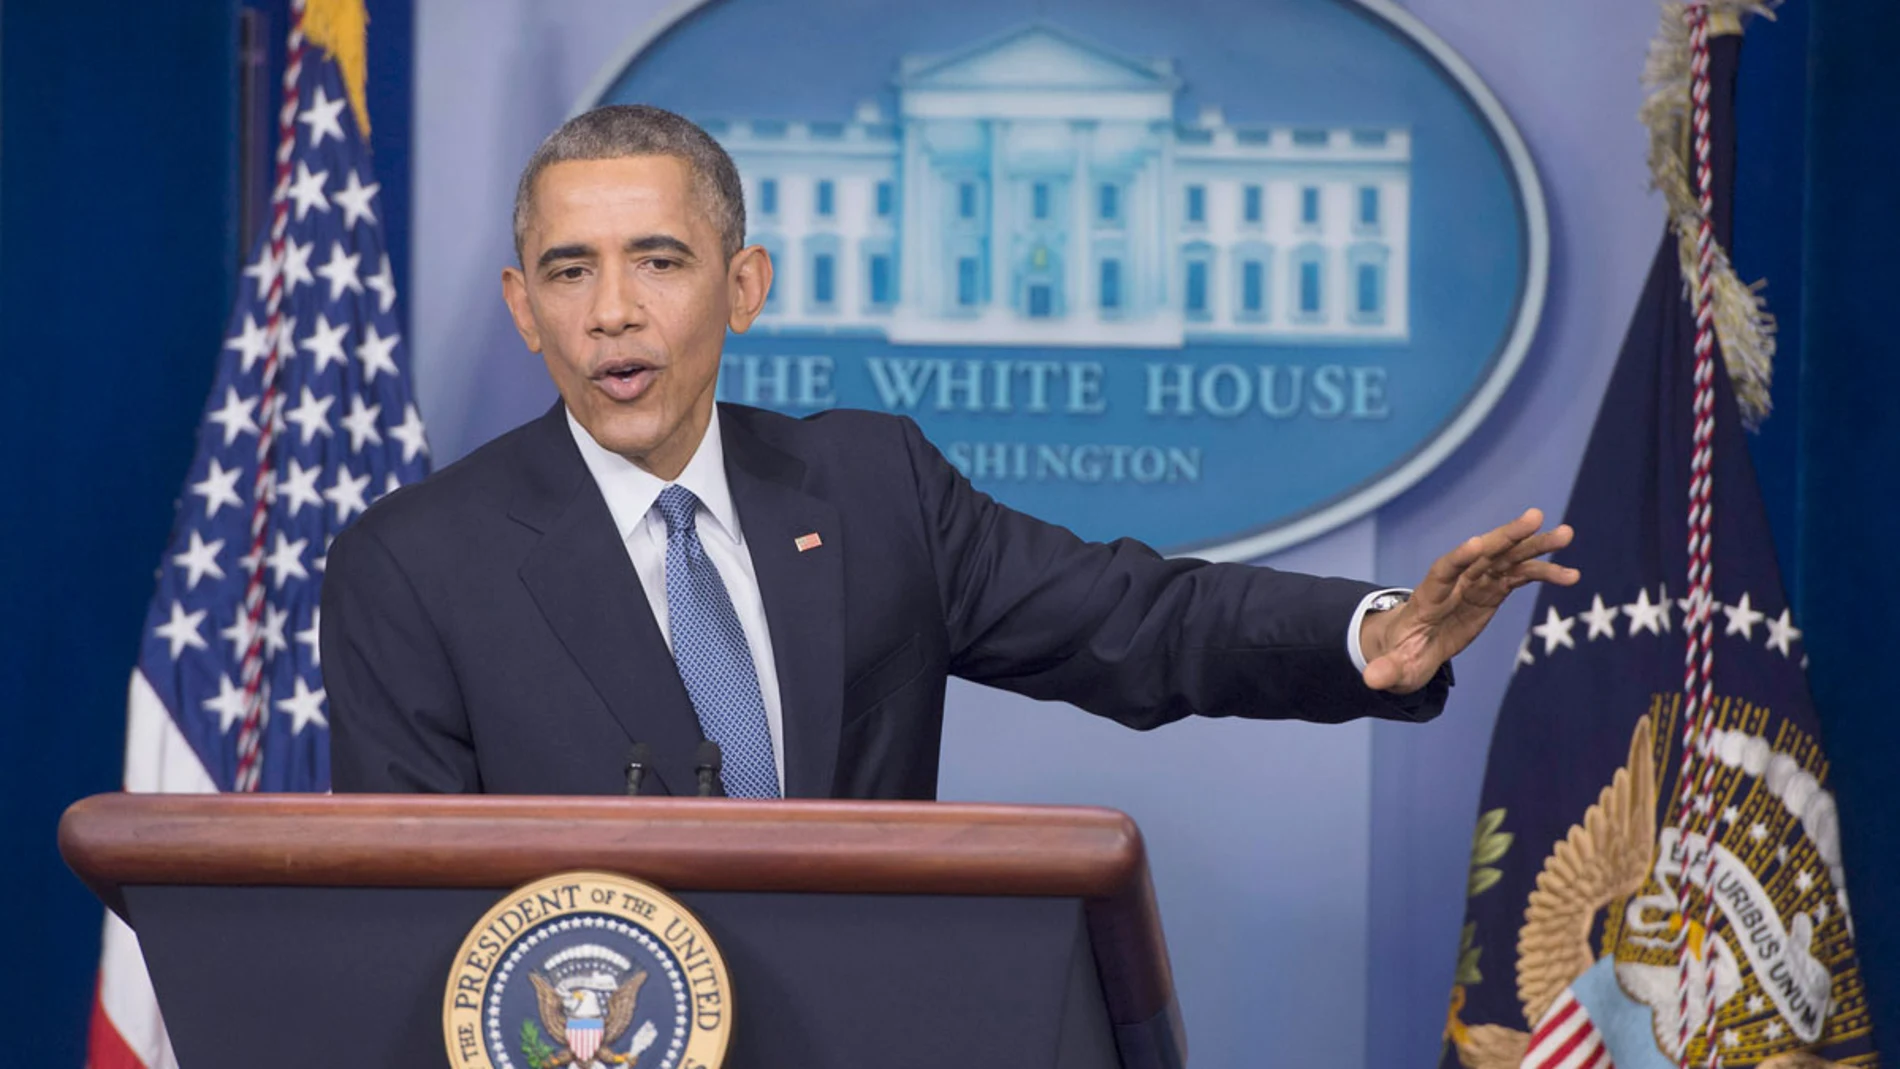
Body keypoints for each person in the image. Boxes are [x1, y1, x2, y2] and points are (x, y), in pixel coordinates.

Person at [321, 105, 1577, 798]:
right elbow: (409, 907)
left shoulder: (870, 488)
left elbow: (1136, 618)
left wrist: (1373, 636)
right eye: (568, 272)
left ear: (742, 285)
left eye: (658, 261)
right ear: (520, 306)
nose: (611, 312)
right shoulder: (415, 564)